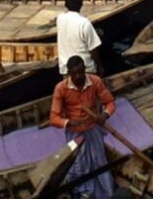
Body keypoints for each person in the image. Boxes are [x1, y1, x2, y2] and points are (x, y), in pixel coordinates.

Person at [49, 56, 115, 198]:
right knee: (79, 167)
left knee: (100, 161)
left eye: (80, 72)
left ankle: (106, 194)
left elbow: (110, 103)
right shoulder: (60, 89)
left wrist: (104, 115)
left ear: (85, 69)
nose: (78, 76)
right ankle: (85, 194)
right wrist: (68, 122)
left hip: (93, 129)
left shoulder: (95, 81)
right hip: (74, 133)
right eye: (75, 73)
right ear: (69, 74)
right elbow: (53, 119)